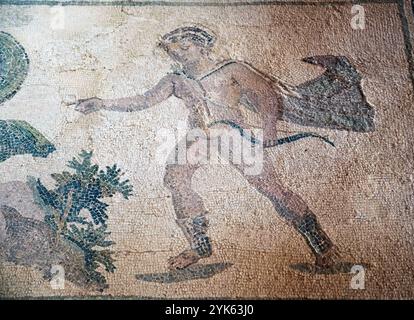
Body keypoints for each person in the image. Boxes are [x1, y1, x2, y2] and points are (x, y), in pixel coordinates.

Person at [75, 26, 345, 271]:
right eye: (173, 50)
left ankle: (321, 243)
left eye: (185, 47)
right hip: (199, 136)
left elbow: (266, 95)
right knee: (175, 177)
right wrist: (103, 103)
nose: (179, 54)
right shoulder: (175, 79)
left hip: (232, 133)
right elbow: (144, 100)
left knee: (271, 187)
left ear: (202, 45)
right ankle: (198, 242)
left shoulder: (231, 69)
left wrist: (270, 128)